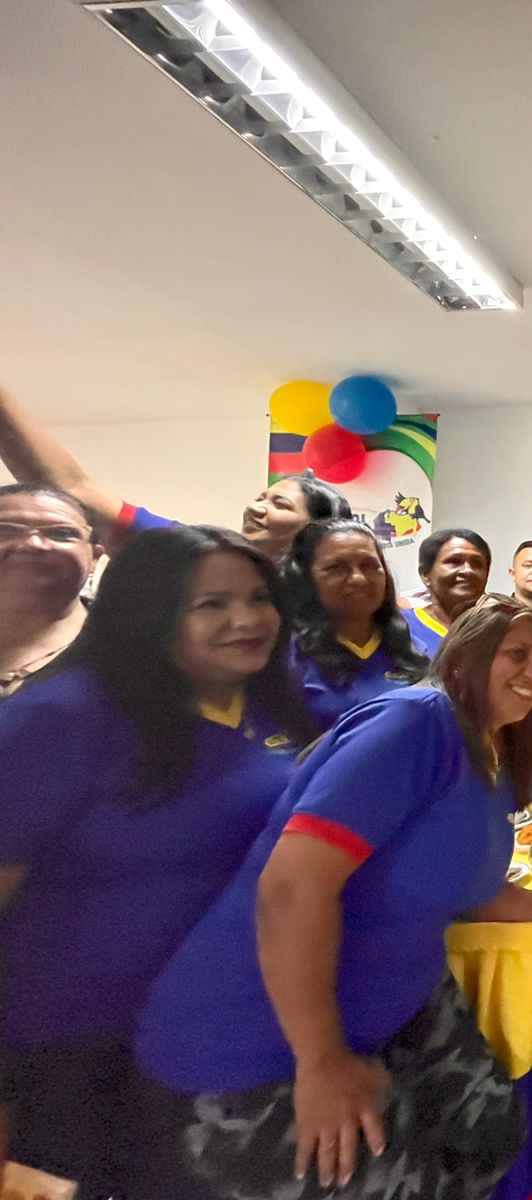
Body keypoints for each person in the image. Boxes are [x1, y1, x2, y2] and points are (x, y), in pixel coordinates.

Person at [131, 597, 532, 1200]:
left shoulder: (490, 753)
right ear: (465, 655)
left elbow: (461, 886)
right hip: (257, 1043)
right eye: (516, 654)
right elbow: (293, 885)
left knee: (490, 1135)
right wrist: (320, 1064)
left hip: (392, 1013)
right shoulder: (415, 722)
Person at [0, 526, 316, 1197]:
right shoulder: (60, 719)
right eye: (211, 604)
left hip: (223, 1043)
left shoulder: (271, 703)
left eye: (260, 597)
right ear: (149, 611)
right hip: (76, 1056)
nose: (247, 619)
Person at [0, 380, 349, 564]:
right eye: (261, 498)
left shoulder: (349, 600)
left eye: (280, 505)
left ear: (316, 532)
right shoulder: (195, 553)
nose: (255, 508)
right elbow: (72, 489)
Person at [281, 519, 429, 731]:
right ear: (305, 578)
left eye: (369, 566)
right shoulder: (286, 659)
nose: (358, 578)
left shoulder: (416, 650)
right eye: (336, 568)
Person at [0, 484, 98, 698]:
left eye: (62, 533)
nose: (32, 543)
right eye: (5, 530)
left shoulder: (137, 650)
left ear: (95, 558)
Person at [405, 528, 491, 655]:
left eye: (477, 564)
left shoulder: (502, 630)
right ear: (425, 574)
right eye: (454, 562)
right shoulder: (400, 627)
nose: (468, 571)